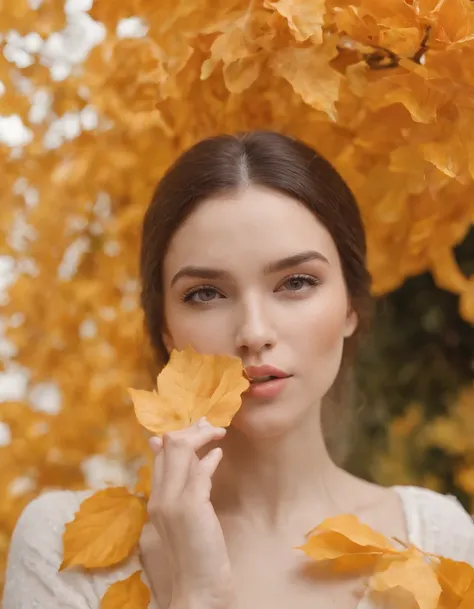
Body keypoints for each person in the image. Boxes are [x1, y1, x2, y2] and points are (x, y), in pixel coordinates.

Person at [3, 131, 474, 609]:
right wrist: (197, 592)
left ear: (351, 306)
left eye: (296, 282)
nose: (253, 331)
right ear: (165, 328)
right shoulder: (63, 551)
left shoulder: (438, 540)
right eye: (205, 293)